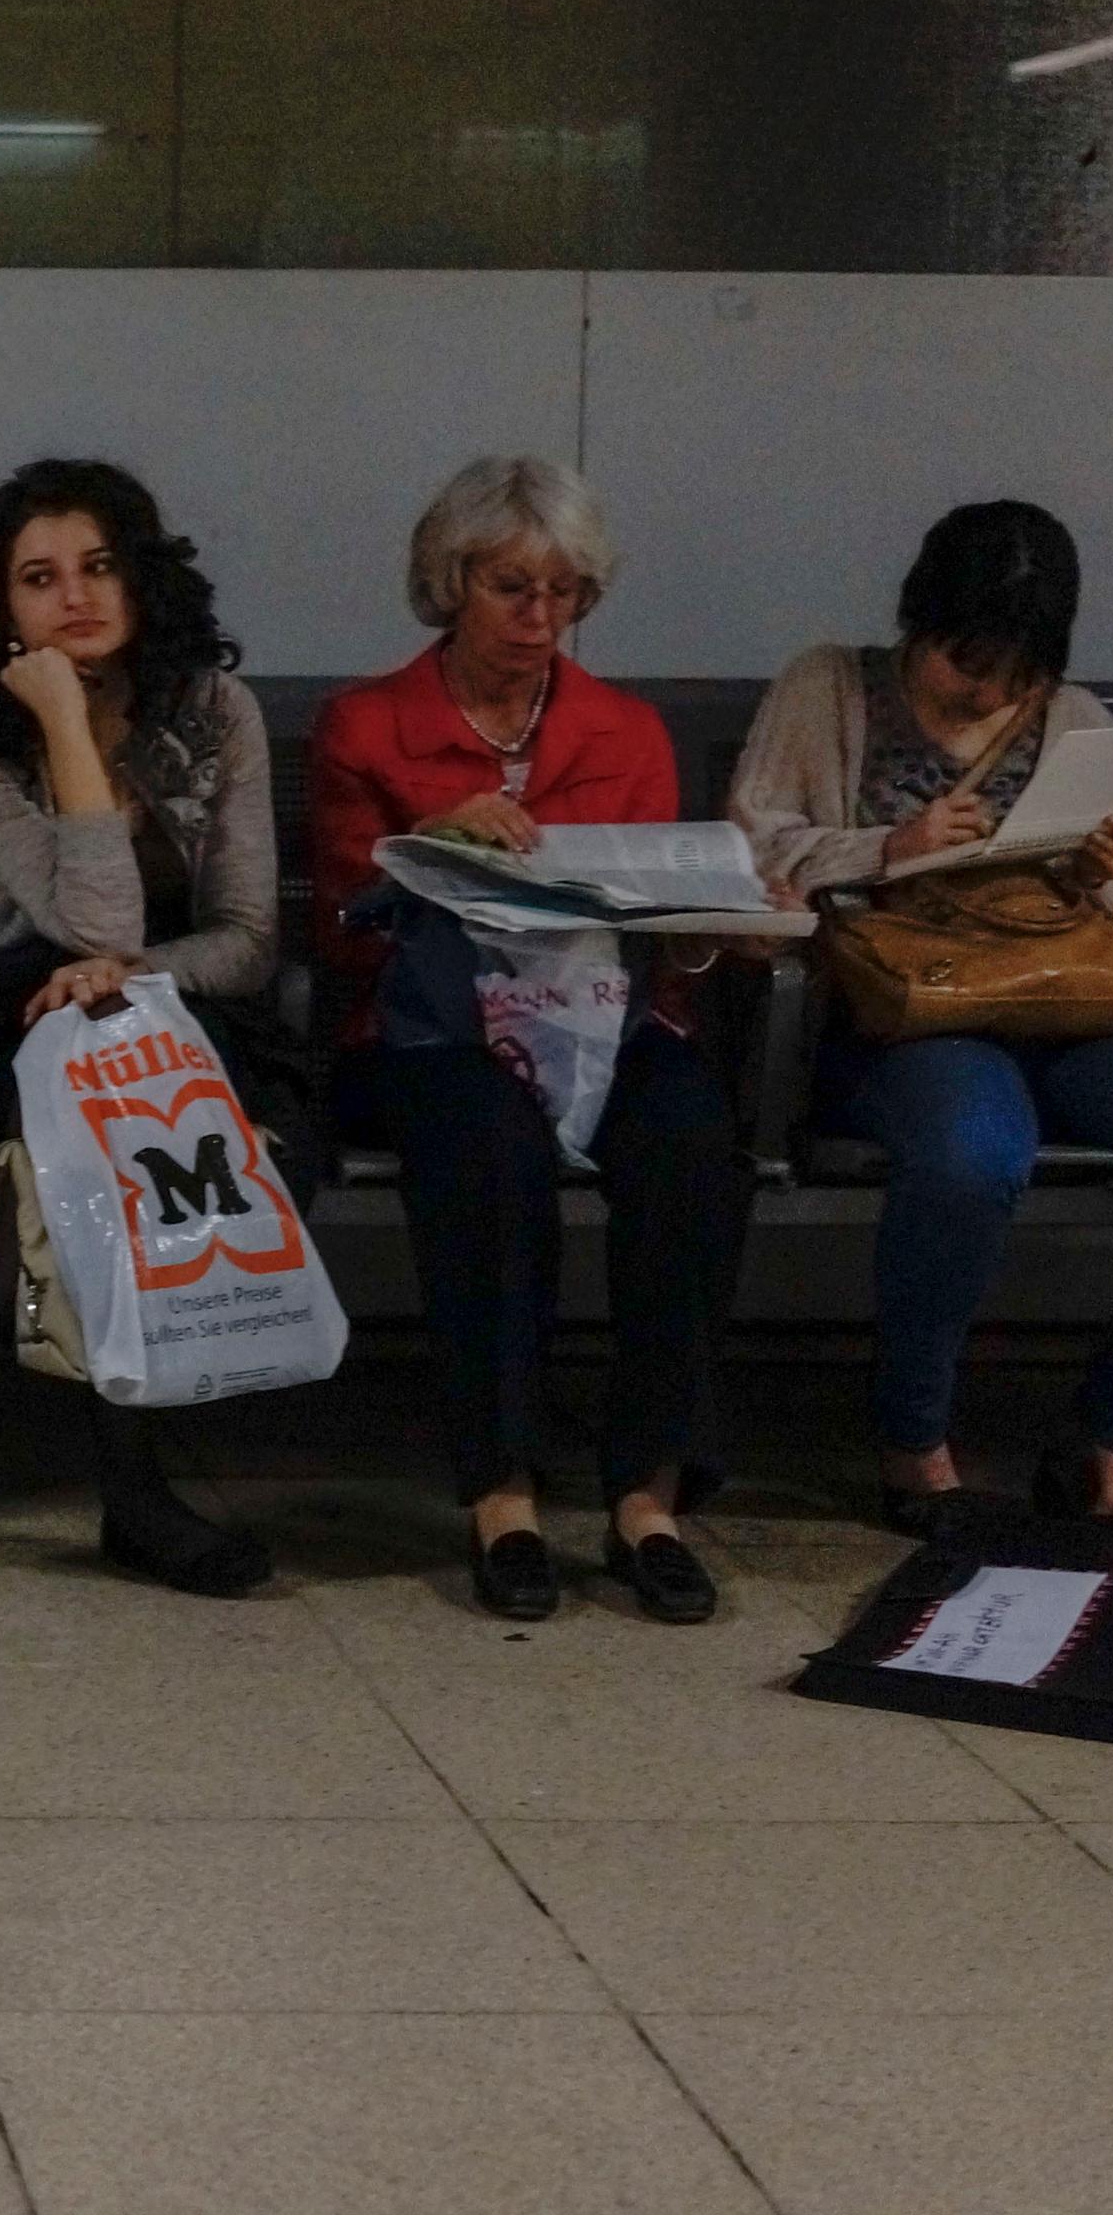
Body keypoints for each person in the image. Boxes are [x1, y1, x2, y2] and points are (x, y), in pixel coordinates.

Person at [732, 500, 1113, 1534]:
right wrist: (886, 848)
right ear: (922, 619)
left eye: (1018, 667)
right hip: (906, 1014)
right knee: (972, 1148)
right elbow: (753, 851)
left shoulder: (1074, 716)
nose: (991, 688)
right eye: (967, 659)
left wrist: (1107, 872)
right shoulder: (827, 686)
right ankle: (914, 1440)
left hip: (1073, 1005)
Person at [310, 455, 748, 1625]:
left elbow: (658, 932)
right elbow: (338, 934)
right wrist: (436, 850)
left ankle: (649, 1493)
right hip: (431, 1031)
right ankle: (501, 1488)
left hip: (600, 1021)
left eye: (563, 594)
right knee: (492, 1150)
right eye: (512, 588)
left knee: (693, 1140)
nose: (539, 619)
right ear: (451, 582)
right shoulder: (370, 725)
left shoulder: (625, 731)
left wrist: (709, 929)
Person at [0, 460, 299, 1596]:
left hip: (166, 1008)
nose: (74, 594)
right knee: (123, 1119)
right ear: (4, 610)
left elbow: (246, 936)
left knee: (192, 1107)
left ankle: (160, 1437)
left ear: (145, 577)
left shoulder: (218, 714)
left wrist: (126, 980)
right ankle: (134, 1492)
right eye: (39, 577)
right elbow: (93, 912)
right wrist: (68, 723)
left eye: (99, 565)